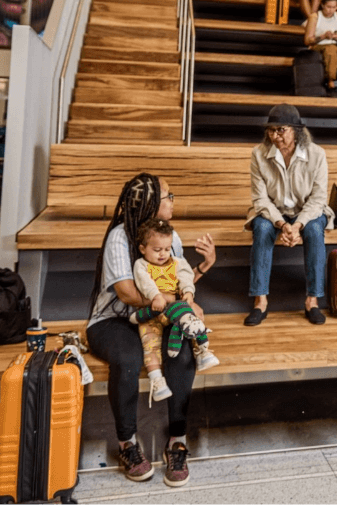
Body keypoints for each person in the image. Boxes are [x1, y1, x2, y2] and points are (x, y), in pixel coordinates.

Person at [86, 173, 218, 488]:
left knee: (183, 353)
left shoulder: (171, 237)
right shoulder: (120, 237)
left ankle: (177, 440)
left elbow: (178, 280)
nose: (173, 201)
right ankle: (127, 444)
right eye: (169, 196)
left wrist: (202, 269)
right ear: (150, 205)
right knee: (129, 360)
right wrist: (180, 305)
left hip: (158, 319)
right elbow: (128, 294)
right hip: (113, 320)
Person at [245, 105, 335, 327]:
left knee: (315, 230)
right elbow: (260, 200)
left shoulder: (317, 155)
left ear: (296, 131)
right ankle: (260, 302)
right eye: (271, 130)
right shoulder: (259, 154)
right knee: (262, 228)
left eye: (281, 130)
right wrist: (281, 223)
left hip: (308, 213)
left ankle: (312, 301)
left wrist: (298, 226)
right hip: (274, 213)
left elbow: (318, 199)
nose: (275, 136)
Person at [127, 219, 219, 405]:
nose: (163, 254)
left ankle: (202, 351)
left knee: (188, 320)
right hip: (151, 313)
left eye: (167, 249)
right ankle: (156, 380)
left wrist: (188, 292)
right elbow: (145, 282)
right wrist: (156, 295)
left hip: (173, 311)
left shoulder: (177, 262)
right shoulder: (141, 265)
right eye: (157, 249)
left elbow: (186, 277)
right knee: (150, 344)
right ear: (143, 248)